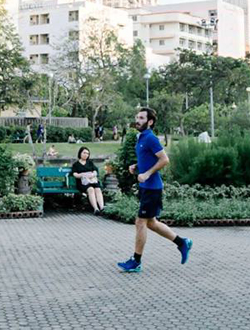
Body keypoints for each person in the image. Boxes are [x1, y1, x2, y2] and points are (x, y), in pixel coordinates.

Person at [117, 108, 192, 273]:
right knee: (151, 222)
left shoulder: (150, 138)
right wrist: (137, 167)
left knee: (140, 221)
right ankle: (182, 242)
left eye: (141, 118)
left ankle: (136, 261)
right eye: (137, 117)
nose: (137, 120)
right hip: (146, 187)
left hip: (152, 188)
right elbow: (148, 159)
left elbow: (165, 160)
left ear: (150, 122)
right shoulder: (141, 137)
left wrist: (147, 173)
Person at [71, 147, 104, 215]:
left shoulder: (90, 163)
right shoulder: (76, 164)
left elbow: (95, 171)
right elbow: (75, 174)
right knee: (91, 189)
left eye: (87, 153)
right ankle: (95, 208)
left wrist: (92, 175)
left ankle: (102, 207)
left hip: (92, 180)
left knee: (98, 189)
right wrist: (83, 175)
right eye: (84, 153)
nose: (86, 155)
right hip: (82, 183)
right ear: (80, 153)